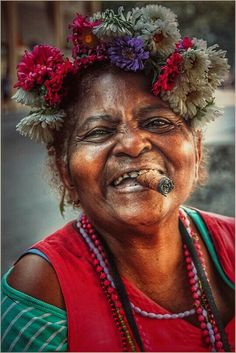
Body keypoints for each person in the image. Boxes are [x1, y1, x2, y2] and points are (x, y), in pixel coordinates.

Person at [1, 4, 234, 352]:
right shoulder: (42, 287)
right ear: (65, 171)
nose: (132, 144)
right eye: (98, 132)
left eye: (157, 122)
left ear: (196, 149)